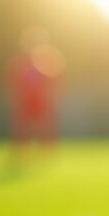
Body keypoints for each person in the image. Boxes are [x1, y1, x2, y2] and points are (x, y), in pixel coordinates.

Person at [7, 26, 65, 154]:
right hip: (26, 99)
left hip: (42, 99)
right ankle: (21, 151)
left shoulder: (50, 59)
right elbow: (15, 81)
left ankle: (46, 150)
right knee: (23, 126)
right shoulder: (21, 62)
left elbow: (56, 79)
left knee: (44, 125)